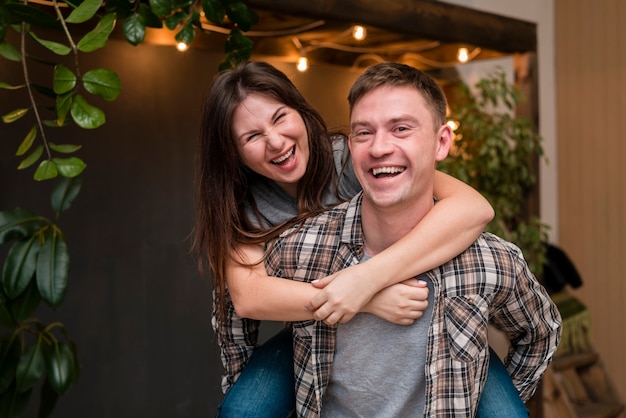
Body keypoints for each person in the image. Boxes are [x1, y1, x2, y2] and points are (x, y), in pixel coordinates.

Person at [193, 61, 521, 417]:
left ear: (301, 111)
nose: (275, 141)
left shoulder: (355, 156)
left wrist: (367, 278)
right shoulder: (244, 204)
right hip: (319, 330)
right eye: (252, 137)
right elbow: (248, 297)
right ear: (234, 151)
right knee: (242, 412)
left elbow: (473, 208)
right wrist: (367, 299)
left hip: (424, 322)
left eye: (279, 118)